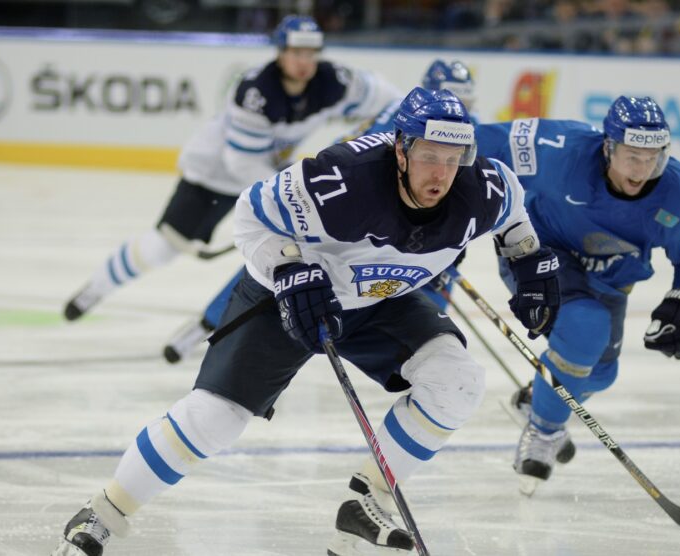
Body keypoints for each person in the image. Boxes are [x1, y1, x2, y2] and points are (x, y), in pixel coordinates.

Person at [51, 87, 561, 556]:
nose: (441, 174)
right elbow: (251, 214)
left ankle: (368, 501)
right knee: (217, 418)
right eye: (429, 156)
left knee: (458, 378)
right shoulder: (342, 179)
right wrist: (290, 266)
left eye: (453, 160)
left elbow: (515, 217)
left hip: (384, 299)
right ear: (401, 150)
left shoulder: (484, 189)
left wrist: (528, 263)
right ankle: (104, 511)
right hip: (291, 294)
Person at [62, 15, 400, 322]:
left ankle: (217, 327)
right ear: (280, 51)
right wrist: (288, 196)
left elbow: (389, 99)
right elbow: (241, 163)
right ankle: (94, 289)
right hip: (212, 177)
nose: (304, 62)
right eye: (296, 52)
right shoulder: (256, 92)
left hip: (266, 177)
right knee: (161, 248)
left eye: (311, 53)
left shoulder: (334, 82)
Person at [473, 96, 680, 495]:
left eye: (654, 158)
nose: (642, 170)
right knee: (585, 326)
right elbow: (470, 142)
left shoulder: (678, 189)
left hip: (610, 277)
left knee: (602, 373)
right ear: (608, 147)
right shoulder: (558, 149)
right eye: (632, 156)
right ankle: (542, 431)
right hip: (540, 252)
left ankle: (540, 397)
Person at [161, 59, 478, 363]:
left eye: (466, 100)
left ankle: (421, 347)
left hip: (395, 212)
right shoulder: (403, 122)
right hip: (349, 202)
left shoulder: (462, 129)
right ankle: (205, 324)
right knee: (283, 260)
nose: (462, 109)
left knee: (435, 264)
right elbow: (350, 158)